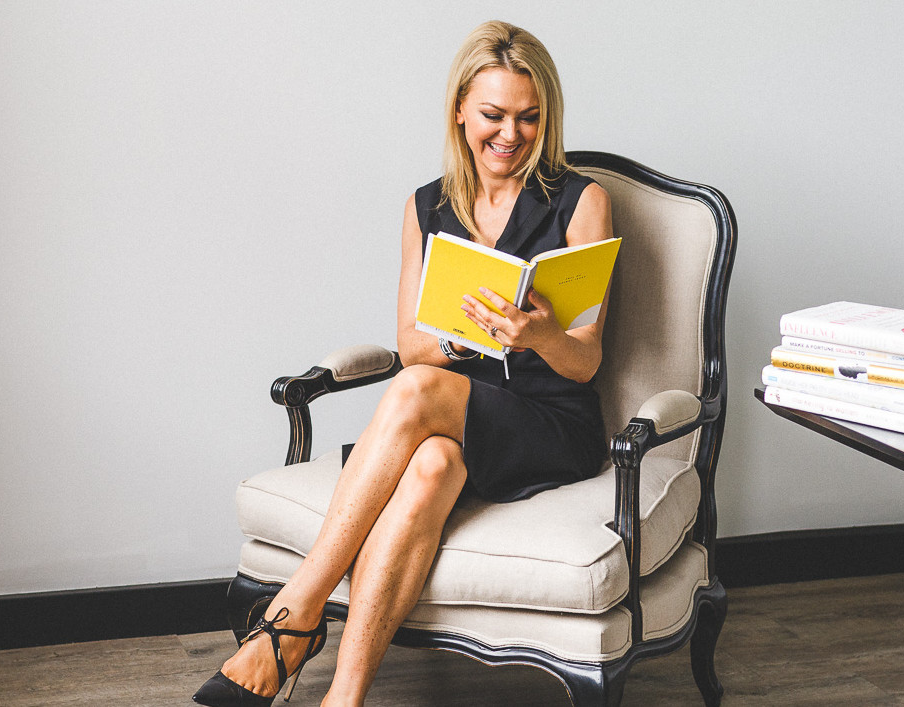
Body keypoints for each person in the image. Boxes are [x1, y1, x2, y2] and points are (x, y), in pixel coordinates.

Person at [193, 20, 612, 707]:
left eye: (530, 118)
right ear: (460, 110)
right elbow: (412, 344)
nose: (510, 134)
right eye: (494, 115)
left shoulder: (582, 201)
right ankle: (345, 695)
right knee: (431, 467)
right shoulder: (427, 206)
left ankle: (294, 614)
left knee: (418, 391)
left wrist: (538, 335)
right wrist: (465, 339)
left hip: (549, 422)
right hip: (452, 422)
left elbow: (588, 360)